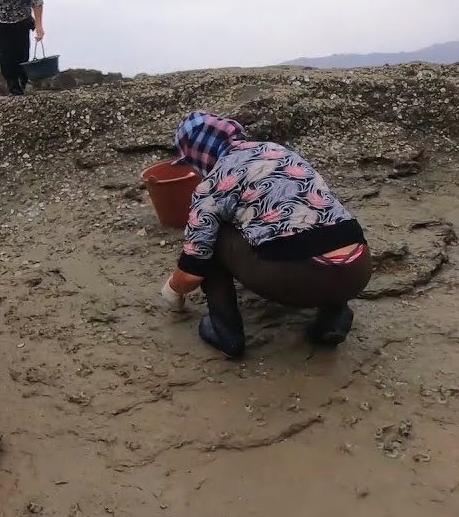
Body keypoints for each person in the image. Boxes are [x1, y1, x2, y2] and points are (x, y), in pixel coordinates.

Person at [158, 111, 374, 360]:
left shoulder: (211, 186)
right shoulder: (280, 152)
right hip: (359, 268)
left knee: (211, 238)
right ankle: (333, 318)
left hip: (299, 278)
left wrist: (173, 291)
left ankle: (226, 334)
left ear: (196, 154)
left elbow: (192, 273)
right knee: (319, 226)